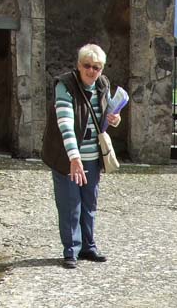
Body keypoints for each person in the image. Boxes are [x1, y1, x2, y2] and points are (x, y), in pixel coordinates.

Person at [41, 44, 121, 269]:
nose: (91, 71)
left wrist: (114, 119)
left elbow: (103, 115)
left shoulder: (102, 85)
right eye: (87, 66)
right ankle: (71, 250)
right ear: (78, 65)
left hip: (92, 157)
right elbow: (65, 122)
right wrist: (73, 158)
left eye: (96, 67)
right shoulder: (65, 85)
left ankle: (89, 246)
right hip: (66, 156)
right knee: (70, 204)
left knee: (89, 203)